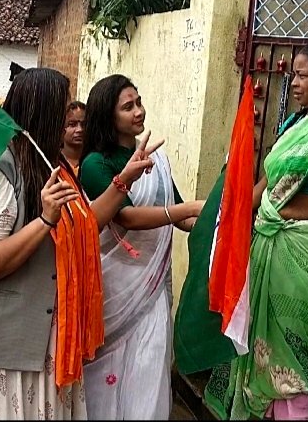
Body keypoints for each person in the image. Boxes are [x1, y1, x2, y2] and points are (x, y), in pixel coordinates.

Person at [0, 68, 164, 419]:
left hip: (45, 342)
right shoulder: (4, 166)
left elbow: (85, 223)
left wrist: (124, 179)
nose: (69, 122)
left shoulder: (51, 163)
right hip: (4, 350)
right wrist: (44, 220)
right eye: (63, 112)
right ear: (43, 113)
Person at [204, 40, 308, 420]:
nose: (293, 83)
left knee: (293, 353)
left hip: (304, 253)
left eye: (302, 75)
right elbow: (266, 185)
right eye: (293, 74)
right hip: (267, 246)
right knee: (257, 346)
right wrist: (225, 216)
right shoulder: (294, 124)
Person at [78, 74, 203, 420]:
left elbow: (176, 213)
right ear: (108, 116)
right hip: (113, 288)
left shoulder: (155, 159)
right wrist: (190, 209)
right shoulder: (96, 164)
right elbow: (127, 217)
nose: (139, 111)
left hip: (151, 292)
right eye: (127, 107)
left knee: (149, 366)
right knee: (104, 374)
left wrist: (214, 224)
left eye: (139, 102)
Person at [62, 101, 86, 173]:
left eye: (84, 124)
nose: (80, 129)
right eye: (72, 124)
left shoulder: (94, 161)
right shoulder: (54, 161)